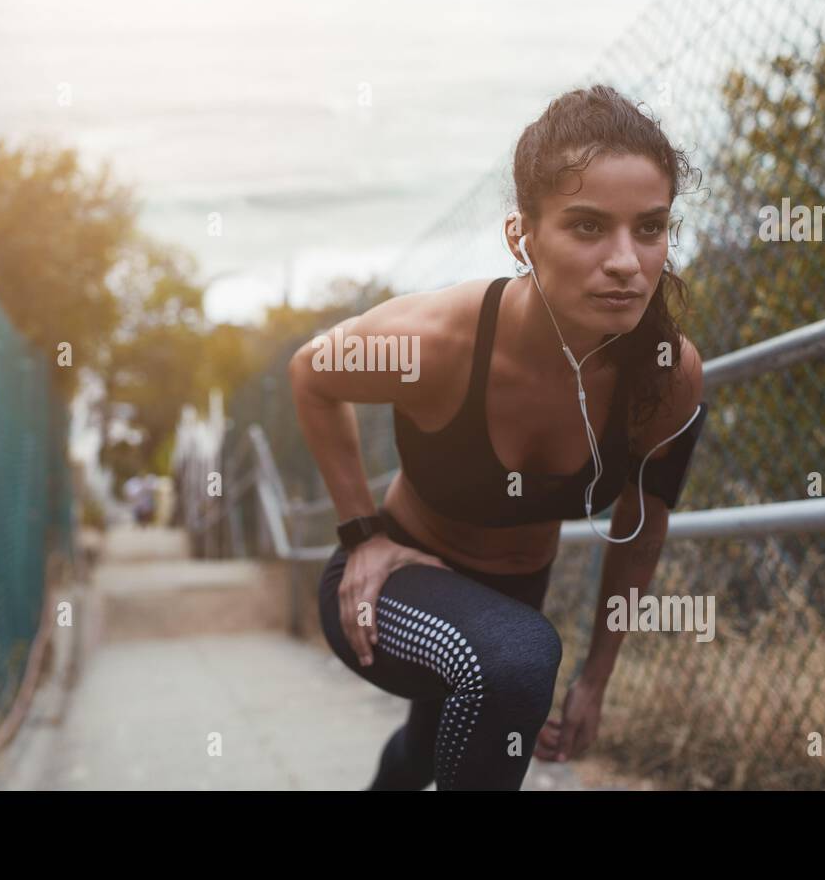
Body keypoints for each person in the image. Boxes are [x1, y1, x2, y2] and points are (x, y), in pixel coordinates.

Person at [288, 85, 708, 790]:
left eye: (650, 227)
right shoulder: (441, 342)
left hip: (514, 594)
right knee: (517, 661)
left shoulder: (666, 378)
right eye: (586, 227)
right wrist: (363, 533)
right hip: (391, 588)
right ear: (522, 236)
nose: (626, 262)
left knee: (433, 746)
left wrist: (594, 681)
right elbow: (310, 373)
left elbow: (641, 529)